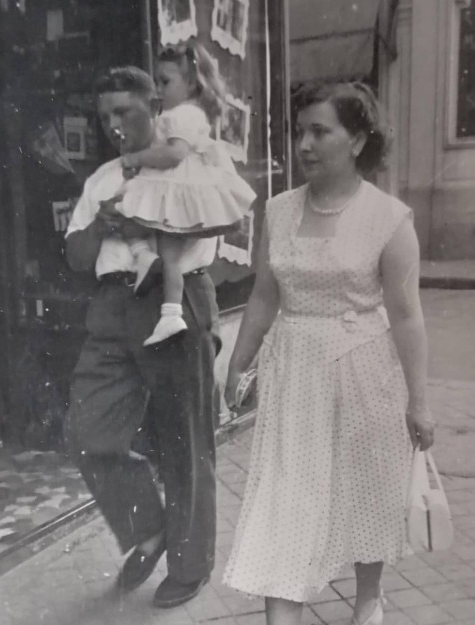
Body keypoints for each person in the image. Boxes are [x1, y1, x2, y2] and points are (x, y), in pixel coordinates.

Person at [222, 82, 435, 625]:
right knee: (284, 500)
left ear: (358, 139)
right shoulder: (279, 210)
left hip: (365, 372)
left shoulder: (389, 219)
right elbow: (265, 295)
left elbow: (407, 316)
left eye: (320, 131)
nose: (304, 145)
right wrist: (239, 362)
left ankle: (368, 598)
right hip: (293, 376)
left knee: (366, 487)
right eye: (299, 132)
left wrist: (421, 402)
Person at [63, 65, 220, 609]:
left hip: (173, 296)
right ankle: (148, 528)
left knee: (185, 440)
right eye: (104, 115)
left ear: (156, 107)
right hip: (111, 307)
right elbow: (76, 258)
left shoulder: (188, 162)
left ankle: (191, 564)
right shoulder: (102, 178)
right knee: (86, 429)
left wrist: (147, 226)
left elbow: (222, 219)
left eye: (124, 111)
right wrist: (103, 225)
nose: (113, 124)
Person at [114, 41, 255, 346]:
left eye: (165, 82)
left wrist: (137, 159)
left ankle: (171, 312)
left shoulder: (183, 115)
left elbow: (174, 154)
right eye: (156, 83)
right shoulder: (184, 114)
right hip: (171, 187)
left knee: (169, 255)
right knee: (133, 224)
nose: (158, 90)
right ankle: (148, 268)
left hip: (177, 192)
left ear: (191, 83)